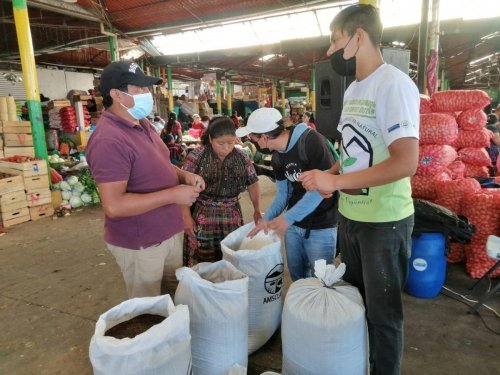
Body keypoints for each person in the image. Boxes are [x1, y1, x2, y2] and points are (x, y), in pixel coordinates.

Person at [299, 5, 419, 375]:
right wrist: (329, 173)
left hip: (384, 223)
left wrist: (334, 182)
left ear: (359, 36)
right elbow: (353, 152)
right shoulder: (352, 89)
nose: (331, 51)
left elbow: (405, 162)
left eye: (336, 40)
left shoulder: (394, 84)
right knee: (354, 304)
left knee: (383, 317)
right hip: (350, 218)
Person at [86, 61, 205, 299]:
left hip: (168, 231)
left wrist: (184, 175)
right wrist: (174, 194)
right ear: (116, 94)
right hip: (142, 242)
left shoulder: (142, 123)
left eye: (146, 89)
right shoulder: (108, 140)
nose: (146, 94)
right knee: (149, 309)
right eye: (138, 89)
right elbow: (115, 205)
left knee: (175, 295)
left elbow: (159, 162)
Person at [238, 107, 339, 281]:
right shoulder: (277, 156)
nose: (251, 141)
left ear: (264, 137)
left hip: (321, 226)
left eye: (252, 138)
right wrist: (266, 219)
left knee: (322, 282)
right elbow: (283, 193)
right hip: (294, 228)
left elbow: (322, 190)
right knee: (298, 279)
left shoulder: (312, 141)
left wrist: (287, 218)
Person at [181, 116, 262, 266]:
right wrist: (186, 216)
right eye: (221, 143)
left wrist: (257, 209)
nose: (226, 148)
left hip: (232, 216)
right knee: (203, 261)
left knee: (229, 257)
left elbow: (253, 183)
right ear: (211, 139)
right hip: (203, 216)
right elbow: (182, 186)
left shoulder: (242, 157)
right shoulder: (197, 156)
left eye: (231, 142)